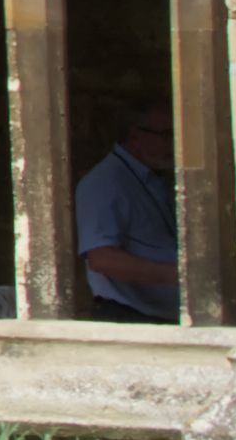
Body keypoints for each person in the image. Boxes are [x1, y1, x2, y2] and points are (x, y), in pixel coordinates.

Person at [77, 100, 184, 320]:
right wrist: (175, 274)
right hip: (128, 317)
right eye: (166, 135)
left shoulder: (154, 179)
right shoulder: (105, 183)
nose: (174, 144)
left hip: (157, 317)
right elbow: (101, 258)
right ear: (135, 136)